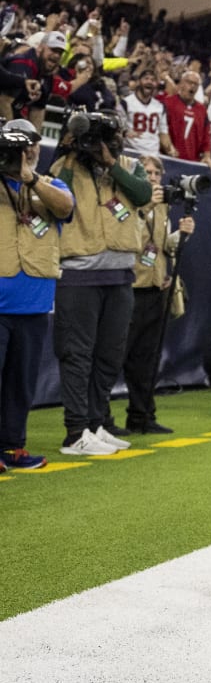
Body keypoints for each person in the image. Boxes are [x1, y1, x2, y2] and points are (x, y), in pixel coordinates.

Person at [52, 111, 153, 455]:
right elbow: (58, 204)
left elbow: (141, 195)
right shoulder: (66, 166)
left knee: (109, 357)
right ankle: (75, 432)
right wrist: (68, 151)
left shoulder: (128, 164)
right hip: (79, 275)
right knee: (77, 356)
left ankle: (96, 423)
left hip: (121, 275)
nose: (100, 145)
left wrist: (112, 164)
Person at [0, 118, 71, 472]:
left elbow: (65, 208)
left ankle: (13, 448)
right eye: (18, 145)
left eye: (32, 144)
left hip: (34, 304)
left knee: (21, 383)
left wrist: (31, 178)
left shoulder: (50, 184)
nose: (26, 150)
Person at [122, 155, 194, 435]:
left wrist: (181, 235)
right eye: (146, 172)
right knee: (116, 358)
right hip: (130, 288)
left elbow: (162, 246)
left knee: (147, 359)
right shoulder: (128, 201)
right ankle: (99, 419)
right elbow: (127, 239)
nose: (152, 177)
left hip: (156, 289)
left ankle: (142, 416)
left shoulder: (164, 206)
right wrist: (147, 205)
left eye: (156, 172)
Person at [158, 70, 211, 169]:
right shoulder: (168, 103)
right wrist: (168, 148)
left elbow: (206, 137)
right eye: (189, 82)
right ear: (181, 83)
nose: (192, 86)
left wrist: (207, 157)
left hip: (192, 163)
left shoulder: (201, 110)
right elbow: (160, 130)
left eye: (195, 84)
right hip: (168, 160)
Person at [122, 72, 176, 159]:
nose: (149, 81)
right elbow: (119, 129)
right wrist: (125, 133)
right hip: (132, 153)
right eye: (146, 78)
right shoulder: (126, 103)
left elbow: (163, 132)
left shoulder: (160, 106)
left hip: (153, 156)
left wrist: (170, 148)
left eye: (153, 80)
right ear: (139, 82)